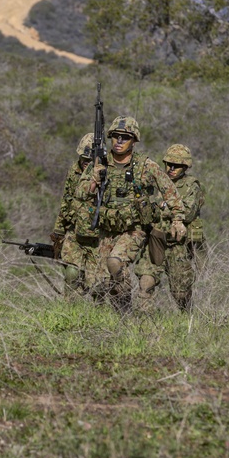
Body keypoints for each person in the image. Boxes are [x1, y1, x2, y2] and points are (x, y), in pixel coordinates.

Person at [76, 116, 186, 314]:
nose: (118, 141)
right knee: (102, 284)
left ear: (133, 141)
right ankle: (124, 315)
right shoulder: (100, 164)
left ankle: (128, 305)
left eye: (124, 137)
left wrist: (178, 219)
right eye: (115, 136)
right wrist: (94, 180)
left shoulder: (145, 166)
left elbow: (170, 191)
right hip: (106, 229)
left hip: (133, 229)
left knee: (115, 262)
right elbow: (80, 192)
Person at [135, 144, 205, 312]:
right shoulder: (155, 182)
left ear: (185, 166)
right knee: (146, 282)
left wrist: (162, 205)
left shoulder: (191, 186)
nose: (171, 168)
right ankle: (145, 322)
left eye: (177, 165)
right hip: (154, 240)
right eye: (169, 164)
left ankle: (186, 317)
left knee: (180, 292)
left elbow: (187, 213)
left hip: (177, 245)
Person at [50, 133, 100, 298]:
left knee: (96, 283)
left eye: (89, 160)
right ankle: (72, 310)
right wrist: (59, 230)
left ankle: (101, 313)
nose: (85, 162)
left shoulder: (105, 172)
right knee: (72, 273)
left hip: (97, 233)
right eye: (83, 158)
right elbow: (66, 200)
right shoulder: (74, 170)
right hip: (74, 228)